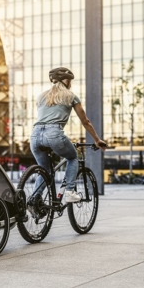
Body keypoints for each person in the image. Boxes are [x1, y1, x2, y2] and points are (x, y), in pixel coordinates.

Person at [30, 67, 107, 204]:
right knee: (72, 157)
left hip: (35, 135)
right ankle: (70, 191)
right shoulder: (71, 96)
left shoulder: (41, 96)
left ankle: (35, 199)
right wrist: (97, 139)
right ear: (66, 80)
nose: (70, 83)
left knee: (45, 169)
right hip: (54, 134)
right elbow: (85, 121)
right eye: (70, 81)